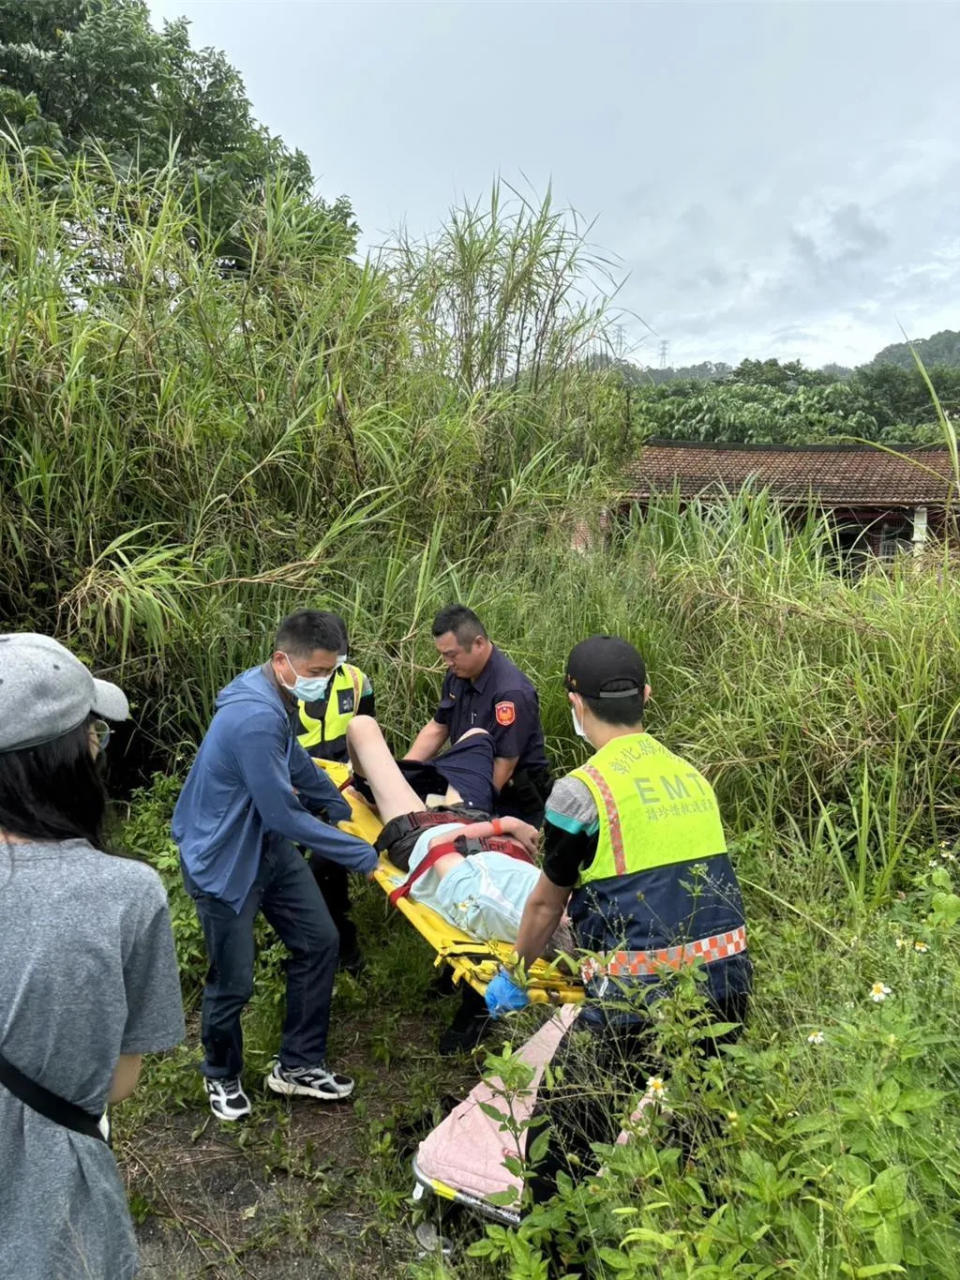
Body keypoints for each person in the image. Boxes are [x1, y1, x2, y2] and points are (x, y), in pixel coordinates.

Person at [484, 635, 752, 1196]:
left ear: (574, 704)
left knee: (559, 1143)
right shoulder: (692, 777)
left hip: (636, 1000)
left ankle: (557, 1250)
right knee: (698, 1133)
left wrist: (516, 975)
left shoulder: (580, 791)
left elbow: (544, 902)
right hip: (727, 987)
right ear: (646, 695)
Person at [0, 633, 185, 1280]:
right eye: (93, 734)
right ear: (67, 757)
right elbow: (120, 1081)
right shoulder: (128, 895)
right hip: (58, 1205)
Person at [172, 613, 379, 1122]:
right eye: (315, 671)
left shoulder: (278, 697)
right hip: (223, 860)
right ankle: (220, 1074)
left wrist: (336, 804)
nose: (323, 682)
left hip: (266, 848)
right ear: (282, 660)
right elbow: (282, 813)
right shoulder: (254, 714)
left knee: (319, 941)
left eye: (332, 672)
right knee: (234, 981)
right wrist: (362, 855)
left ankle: (298, 1065)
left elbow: (295, 762)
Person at [346, 716, 572, 953]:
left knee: (361, 726)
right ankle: (409, 785)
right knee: (477, 736)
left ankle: (372, 791)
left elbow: (439, 847)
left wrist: (506, 824)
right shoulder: (556, 902)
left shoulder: (487, 904)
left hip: (421, 833)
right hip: (473, 824)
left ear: (562, 922)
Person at [405, 605, 552, 827]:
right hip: (470, 781)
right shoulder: (458, 674)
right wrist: (403, 774)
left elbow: (504, 763)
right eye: (443, 655)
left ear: (479, 644)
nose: (447, 663)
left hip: (510, 798)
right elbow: (438, 728)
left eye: (451, 655)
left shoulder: (510, 693)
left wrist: (464, 811)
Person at [289, 609, 375, 975]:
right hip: (293, 787)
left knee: (327, 869)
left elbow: (367, 730)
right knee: (288, 871)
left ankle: (345, 949)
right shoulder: (290, 681)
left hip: (338, 790)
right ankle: (294, 945)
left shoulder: (357, 681)